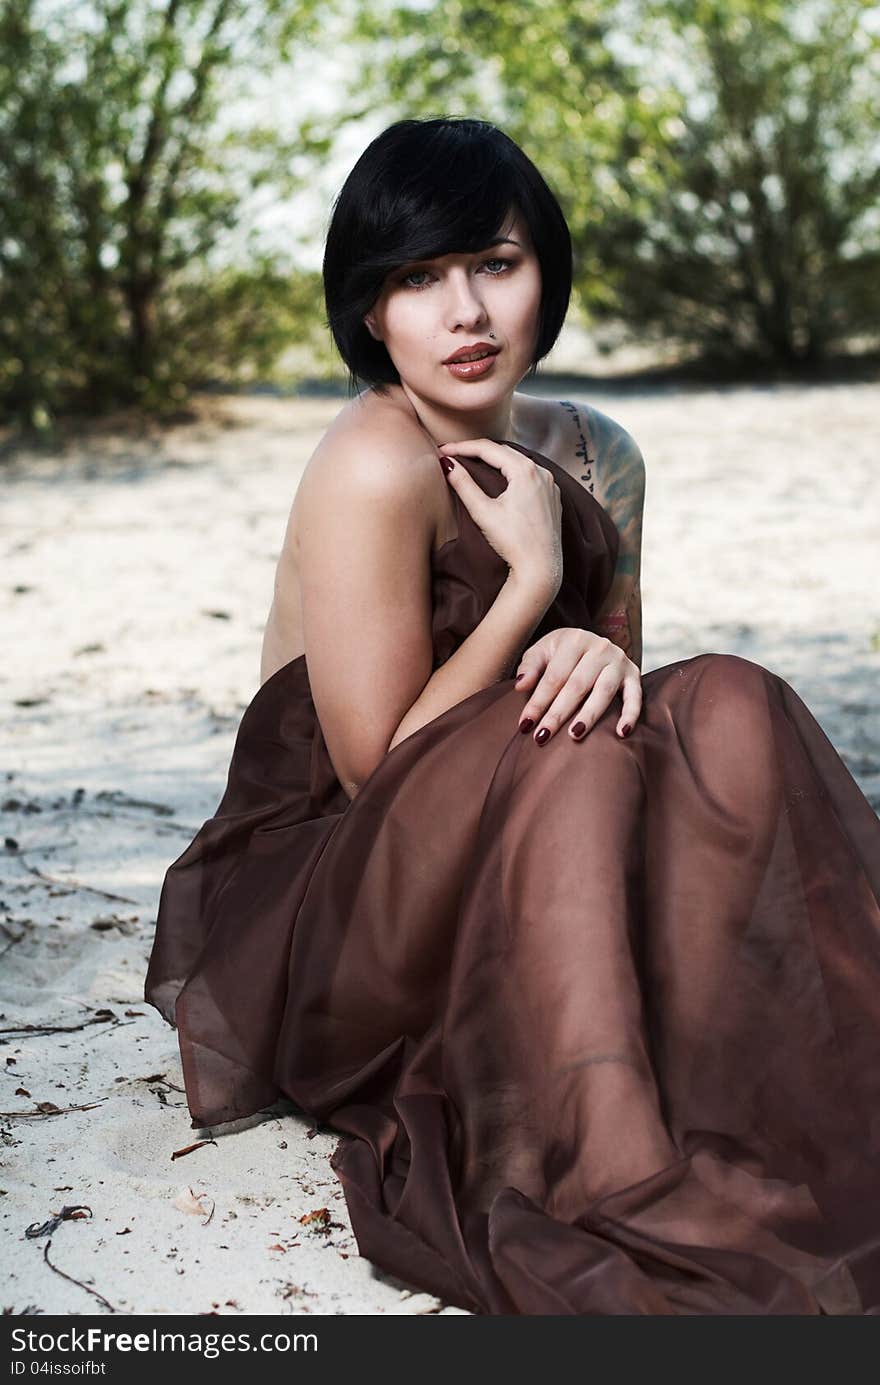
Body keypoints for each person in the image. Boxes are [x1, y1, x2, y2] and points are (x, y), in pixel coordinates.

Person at [145, 117, 880, 1315]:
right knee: (571, 743)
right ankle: (620, 1164)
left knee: (733, 695)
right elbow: (376, 770)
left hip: (533, 846)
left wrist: (594, 639)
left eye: (494, 262)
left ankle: (793, 1072)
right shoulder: (371, 463)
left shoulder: (598, 452)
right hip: (339, 911)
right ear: (370, 311)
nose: (465, 311)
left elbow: (624, 707)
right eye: (417, 279)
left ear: (545, 269)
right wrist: (532, 587)